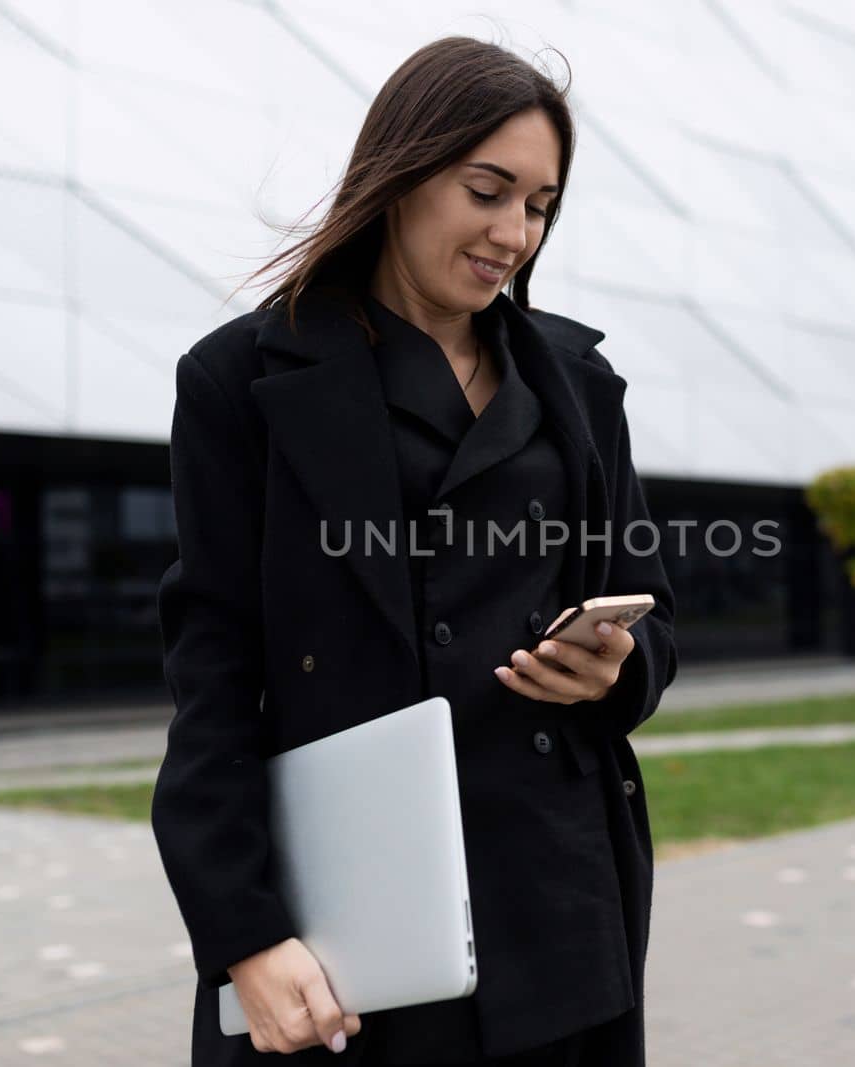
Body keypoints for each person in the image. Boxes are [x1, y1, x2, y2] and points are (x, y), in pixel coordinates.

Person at [150, 35, 678, 1067]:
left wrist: (615, 670)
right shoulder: (239, 382)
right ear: (399, 175)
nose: (513, 231)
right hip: (354, 913)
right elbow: (212, 673)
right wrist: (244, 934)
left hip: (560, 903)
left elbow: (651, 608)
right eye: (487, 191)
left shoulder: (577, 382)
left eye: (538, 205)